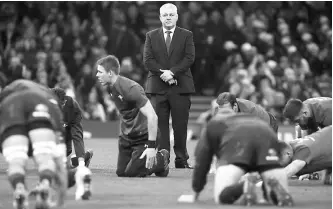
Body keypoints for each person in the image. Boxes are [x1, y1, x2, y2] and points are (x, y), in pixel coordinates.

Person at [0, 89, 67, 209]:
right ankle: (45, 184)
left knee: (16, 161)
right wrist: (60, 201)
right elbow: (59, 160)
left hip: (11, 121)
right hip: (40, 112)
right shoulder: (50, 106)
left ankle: (19, 188)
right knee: (44, 157)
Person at [189, 108, 293, 206]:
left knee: (221, 196)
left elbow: (202, 160)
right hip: (266, 135)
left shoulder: (212, 124)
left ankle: (244, 186)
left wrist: (196, 189)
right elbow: (278, 146)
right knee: (273, 192)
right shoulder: (251, 119)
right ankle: (270, 190)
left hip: (237, 149)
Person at [96, 55, 169, 177]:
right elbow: (126, 112)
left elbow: (153, 117)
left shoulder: (131, 89)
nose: (97, 75)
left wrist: (151, 146)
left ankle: (161, 158)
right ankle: (141, 159)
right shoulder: (109, 87)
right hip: (128, 136)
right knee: (121, 172)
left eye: (100, 72)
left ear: (110, 73)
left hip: (144, 136)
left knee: (133, 172)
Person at [143, 3, 195, 169]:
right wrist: (164, 75)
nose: (168, 18)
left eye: (171, 15)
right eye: (165, 15)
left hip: (180, 87)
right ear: (160, 17)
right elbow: (148, 60)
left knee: (180, 125)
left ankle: (181, 160)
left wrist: (172, 73)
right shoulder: (151, 36)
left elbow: (189, 58)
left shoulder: (187, 35)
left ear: (177, 16)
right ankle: (162, 159)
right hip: (158, 88)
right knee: (160, 126)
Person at [50, 87, 92, 168]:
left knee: (69, 164)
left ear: (64, 101)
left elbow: (77, 136)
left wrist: (81, 165)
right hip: (58, 132)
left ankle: (87, 155)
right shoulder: (45, 103)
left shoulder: (73, 107)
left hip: (68, 127)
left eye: (60, 105)